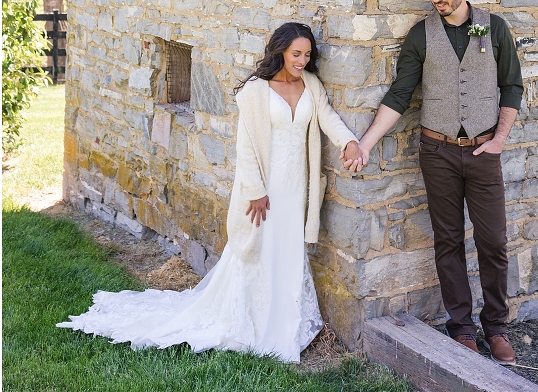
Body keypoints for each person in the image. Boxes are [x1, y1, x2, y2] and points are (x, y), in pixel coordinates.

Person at [58, 22, 362, 362]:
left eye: (307, 54)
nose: (302, 60)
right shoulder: (255, 92)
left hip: (296, 188)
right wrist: (256, 191)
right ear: (280, 52)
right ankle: (253, 322)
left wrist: (349, 142)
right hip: (265, 186)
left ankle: (287, 320)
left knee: (287, 249)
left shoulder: (311, 85)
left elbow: (328, 117)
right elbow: (245, 149)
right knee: (256, 249)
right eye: (296, 54)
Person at [346, 0, 522, 364]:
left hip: (482, 152)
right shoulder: (420, 36)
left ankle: (497, 327)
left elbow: (512, 87)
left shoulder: (493, 28)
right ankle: (461, 328)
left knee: (493, 241)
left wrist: (499, 139)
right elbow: (399, 95)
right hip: (437, 151)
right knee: (447, 241)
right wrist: (367, 143)